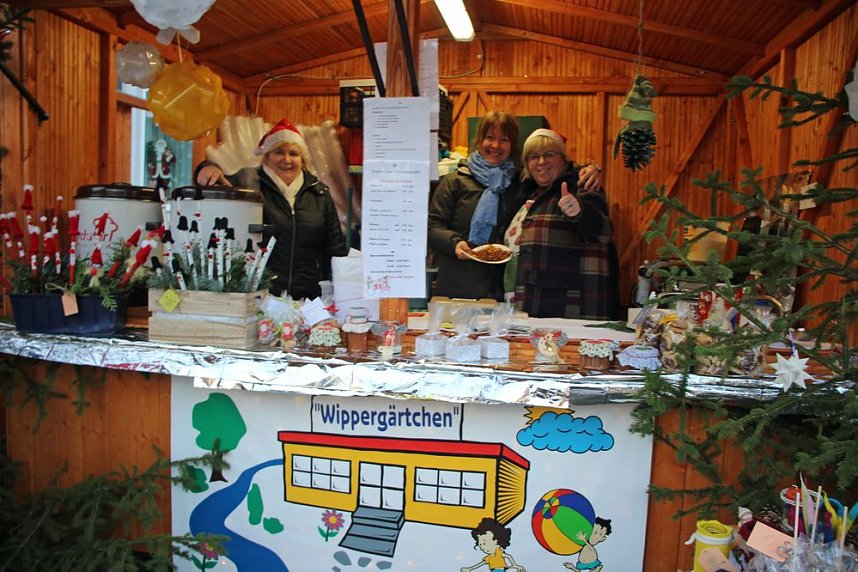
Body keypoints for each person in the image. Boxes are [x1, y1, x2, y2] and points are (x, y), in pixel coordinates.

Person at [196, 118, 346, 299]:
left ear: (302, 159)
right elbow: (217, 182)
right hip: (260, 293)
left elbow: (335, 248)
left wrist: (339, 291)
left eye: (294, 153)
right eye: (279, 152)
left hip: (309, 297)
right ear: (266, 156)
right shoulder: (248, 183)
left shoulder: (319, 193)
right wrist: (208, 167)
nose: (287, 159)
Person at [507, 128, 618, 319]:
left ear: (563, 159)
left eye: (549, 154)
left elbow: (604, 231)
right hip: (534, 295)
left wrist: (579, 212)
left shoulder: (581, 185)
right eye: (533, 157)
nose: (541, 162)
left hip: (570, 301)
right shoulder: (528, 192)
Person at [428, 111, 521, 300]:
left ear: (512, 146)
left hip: (503, 286)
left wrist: (591, 169)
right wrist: (454, 244)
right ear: (479, 140)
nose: (496, 145)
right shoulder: (455, 181)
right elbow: (432, 227)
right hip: (459, 284)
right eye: (490, 138)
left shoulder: (519, 183)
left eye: (504, 140)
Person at [461, 517, 527, 572]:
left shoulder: (498, 553)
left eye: (484, 543)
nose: (482, 547)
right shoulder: (490, 557)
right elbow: (482, 563)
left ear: (496, 540)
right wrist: (470, 569)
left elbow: (508, 556)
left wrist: (515, 565)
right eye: (480, 544)